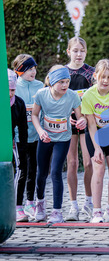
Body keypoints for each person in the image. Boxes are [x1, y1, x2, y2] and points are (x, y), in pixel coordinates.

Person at [32, 66, 86, 223]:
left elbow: (80, 116)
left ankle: (57, 211)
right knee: (41, 173)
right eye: (61, 82)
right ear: (52, 82)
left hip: (63, 138)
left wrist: (81, 121)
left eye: (67, 81)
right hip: (45, 138)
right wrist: (40, 131)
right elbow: (34, 115)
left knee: (56, 171)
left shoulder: (72, 96)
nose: (65, 85)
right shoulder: (41, 94)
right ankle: (40, 205)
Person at [82, 59, 109, 223]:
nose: (105, 81)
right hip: (94, 133)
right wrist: (97, 148)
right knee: (99, 168)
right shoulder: (89, 95)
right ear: (96, 75)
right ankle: (96, 211)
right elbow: (91, 124)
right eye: (103, 77)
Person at [63, 37, 95, 221]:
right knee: (73, 163)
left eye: (82, 50)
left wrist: (86, 117)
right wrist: (66, 114)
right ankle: (73, 206)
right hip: (68, 123)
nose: (79, 54)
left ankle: (88, 202)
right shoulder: (62, 72)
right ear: (68, 52)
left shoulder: (91, 73)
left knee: (89, 162)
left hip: (87, 122)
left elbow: (97, 99)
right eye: (75, 50)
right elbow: (54, 98)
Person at [13, 54, 44, 220]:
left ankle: (30, 203)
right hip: (19, 138)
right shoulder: (14, 87)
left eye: (34, 68)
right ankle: (17, 206)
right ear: (20, 70)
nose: (33, 72)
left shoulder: (40, 86)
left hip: (36, 136)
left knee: (34, 170)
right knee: (22, 171)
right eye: (29, 69)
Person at [9, 70, 29, 222]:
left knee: (20, 169)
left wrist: (22, 148)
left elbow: (23, 129)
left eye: (13, 90)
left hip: (12, 142)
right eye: (7, 90)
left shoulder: (19, 103)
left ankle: (17, 206)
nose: (10, 94)